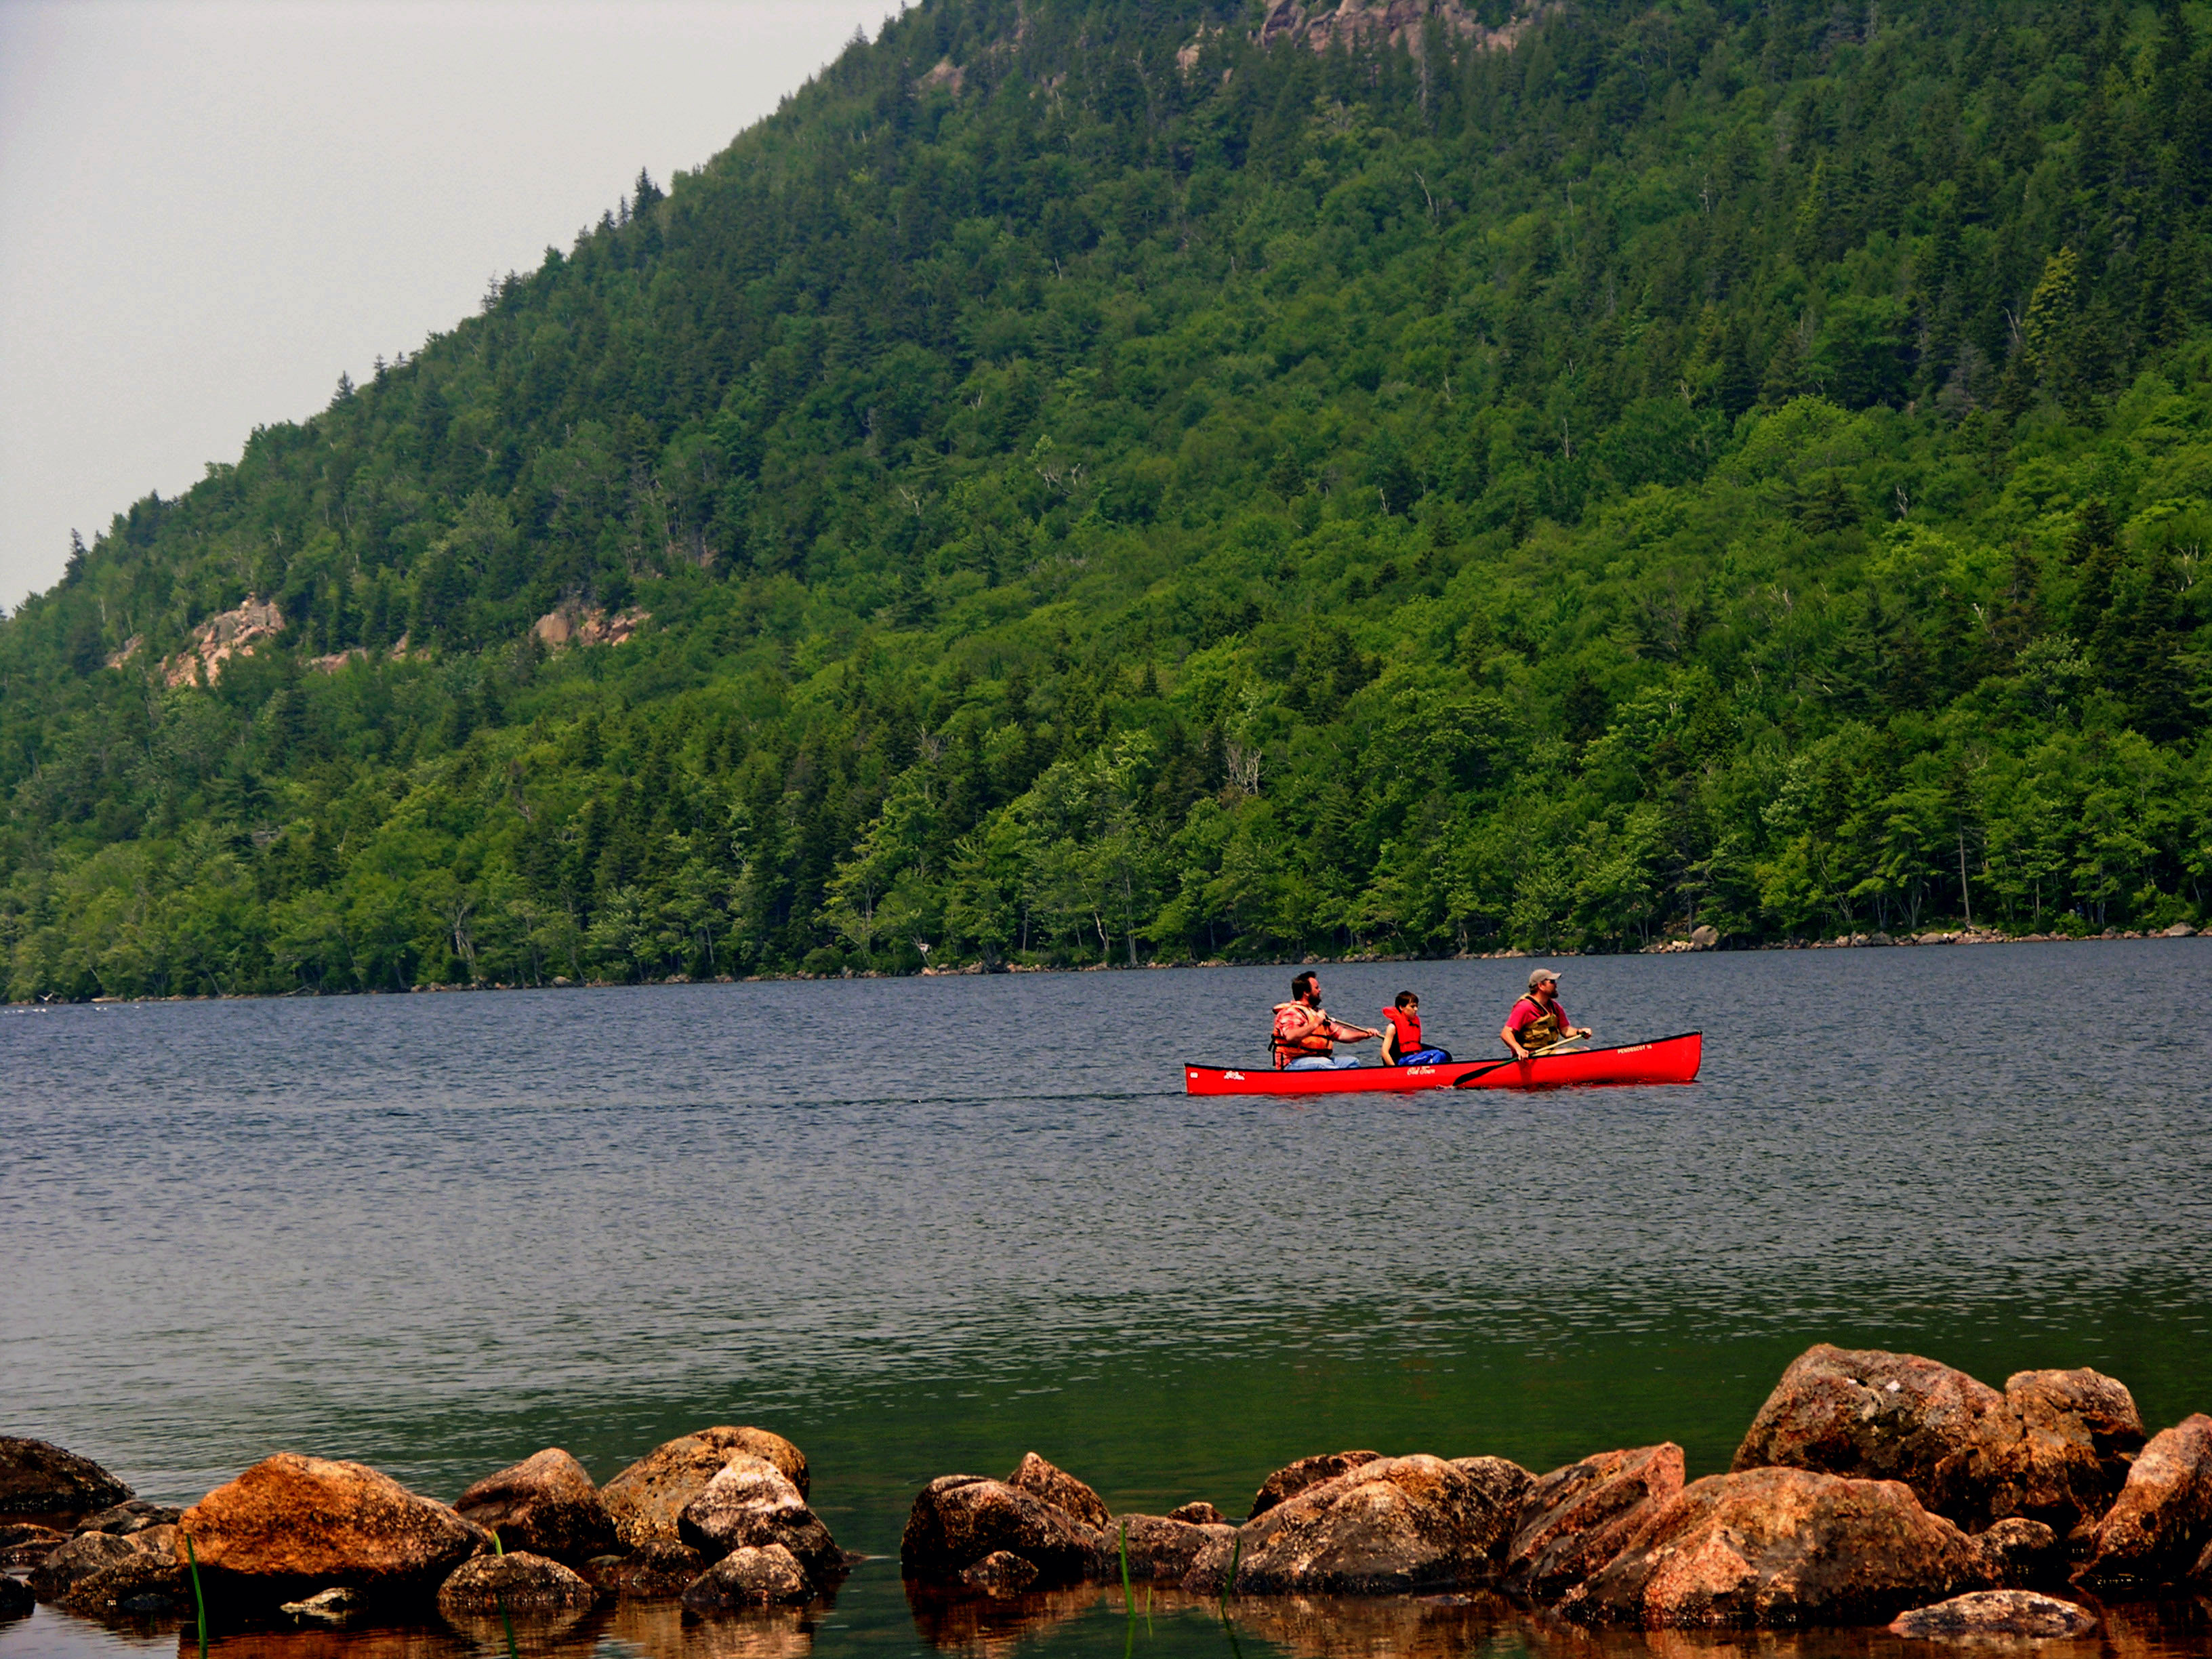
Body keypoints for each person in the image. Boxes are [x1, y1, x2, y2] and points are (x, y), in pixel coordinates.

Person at [1271, 971, 1380, 1069]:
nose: (1320, 990)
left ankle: (1348, 1089)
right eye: (1316, 988)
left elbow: (1342, 1034)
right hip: (1292, 1063)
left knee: (1352, 1062)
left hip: (1316, 1060)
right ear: (1306, 992)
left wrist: (1365, 1034)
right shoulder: (1291, 1013)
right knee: (1323, 1064)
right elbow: (1291, 1036)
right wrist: (1316, 1023)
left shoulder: (1316, 1014)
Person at [1500, 968, 1591, 1060]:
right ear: (1541, 986)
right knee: (1570, 1053)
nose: (1556, 985)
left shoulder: (1555, 1007)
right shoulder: (1524, 1007)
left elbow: (1565, 1030)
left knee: (1584, 1050)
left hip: (1548, 1055)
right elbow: (1506, 1033)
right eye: (1552, 982)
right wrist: (1519, 1049)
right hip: (1529, 1058)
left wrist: (1579, 1032)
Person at [1378, 991, 1452, 1065]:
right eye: (1412, 1006)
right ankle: (1430, 1072)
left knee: (1445, 1055)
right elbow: (1384, 1053)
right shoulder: (1392, 1027)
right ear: (1401, 1007)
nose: (1416, 1009)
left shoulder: (1413, 1024)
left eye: (1417, 1006)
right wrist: (1395, 1070)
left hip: (1414, 1057)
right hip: (1402, 1061)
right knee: (1437, 1055)